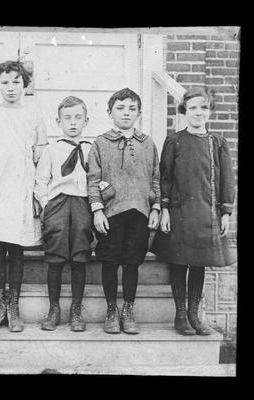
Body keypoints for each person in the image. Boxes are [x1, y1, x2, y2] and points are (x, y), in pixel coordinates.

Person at [151, 87, 236, 335]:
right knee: (179, 262)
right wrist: (164, 209)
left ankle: (194, 314)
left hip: (206, 214)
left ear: (210, 111)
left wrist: (226, 212)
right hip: (179, 212)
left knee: (199, 264)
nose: (198, 113)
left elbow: (227, 180)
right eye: (193, 108)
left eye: (204, 108)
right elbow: (165, 177)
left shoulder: (217, 142)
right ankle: (180, 314)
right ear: (184, 112)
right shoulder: (174, 140)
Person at [0, 60, 48, 332]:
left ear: (25, 84)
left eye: (16, 82)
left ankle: (14, 309)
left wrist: (35, 196)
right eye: (5, 82)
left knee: (16, 249)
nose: (10, 88)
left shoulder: (33, 116)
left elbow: (40, 159)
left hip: (21, 190)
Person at [87, 88, 160, 334]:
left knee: (132, 262)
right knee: (109, 262)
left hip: (139, 211)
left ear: (139, 113)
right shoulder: (100, 143)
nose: (126, 113)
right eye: (120, 108)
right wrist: (97, 210)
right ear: (110, 112)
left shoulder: (147, 144)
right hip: (111, 213)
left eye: (132, 108)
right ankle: (111, 309)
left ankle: (128, 309)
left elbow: (156, 179)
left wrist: (156, 208)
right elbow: (93, 180)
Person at [34, 96, 94, 332]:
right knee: (56, 258)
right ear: (58, 121)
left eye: (78, 118)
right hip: (57, 205)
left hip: (82, 205)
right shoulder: (51, 149)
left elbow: (97, 178)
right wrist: (47, 205)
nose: (72, 123)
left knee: (79, 256)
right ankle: (54, 308)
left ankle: (76, 309)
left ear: (86, 121)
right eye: (67, 118)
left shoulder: (92, 149)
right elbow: (41, 181)